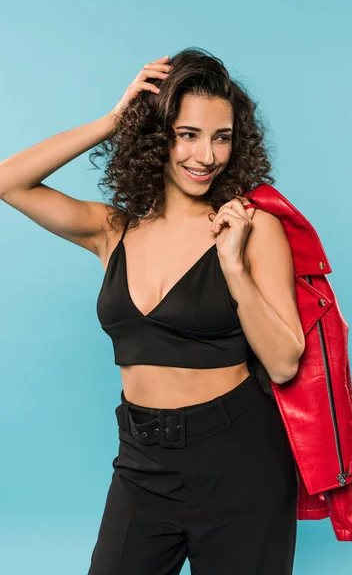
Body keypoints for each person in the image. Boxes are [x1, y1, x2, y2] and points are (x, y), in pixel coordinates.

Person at [0, 48, 305, 574]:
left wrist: (233, 267)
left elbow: (283, 363)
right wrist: (114, 119)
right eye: (187, 134)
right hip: (142, 462)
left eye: (221, 137)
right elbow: (9, 182)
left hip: (240, 461)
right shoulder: (112, 230)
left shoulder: (253, 228)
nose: (206, 155)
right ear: (157, 135)